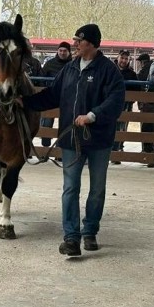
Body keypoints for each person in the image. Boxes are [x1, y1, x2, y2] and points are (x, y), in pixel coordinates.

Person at [23, 23, 125, 256]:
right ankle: (71, 237)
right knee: (70, 188)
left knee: (97, 189)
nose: (75, 44)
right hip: (71, 140)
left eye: (79, 41)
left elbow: (115, 102)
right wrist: (25, 102)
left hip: (98, 139)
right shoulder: (68, 69)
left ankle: (90, 231)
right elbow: (52, 95)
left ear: (90, 43)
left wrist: (92, 116)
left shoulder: (109, 72)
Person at [39, 41, 72, 147]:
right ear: (57, 51)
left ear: (69, 52)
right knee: (47, 122)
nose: (62, 53)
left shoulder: (73, 64)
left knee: (65, 123)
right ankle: (45, 148)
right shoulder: (50, 64)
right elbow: (41, 79)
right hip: (52, 97)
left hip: (68, 99)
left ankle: (60, 149)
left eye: (65, 51)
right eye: (60, 50)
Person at [111, 49, 138, 162]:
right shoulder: (110, 70)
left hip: (125, 105)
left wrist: (130, 100)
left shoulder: (132, 74)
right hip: (110, 104)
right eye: (122, 58)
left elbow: (137, 90)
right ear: (118, 58)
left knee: (122, 128)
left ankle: (117, 150)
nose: (124, 60)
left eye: (126, 58)